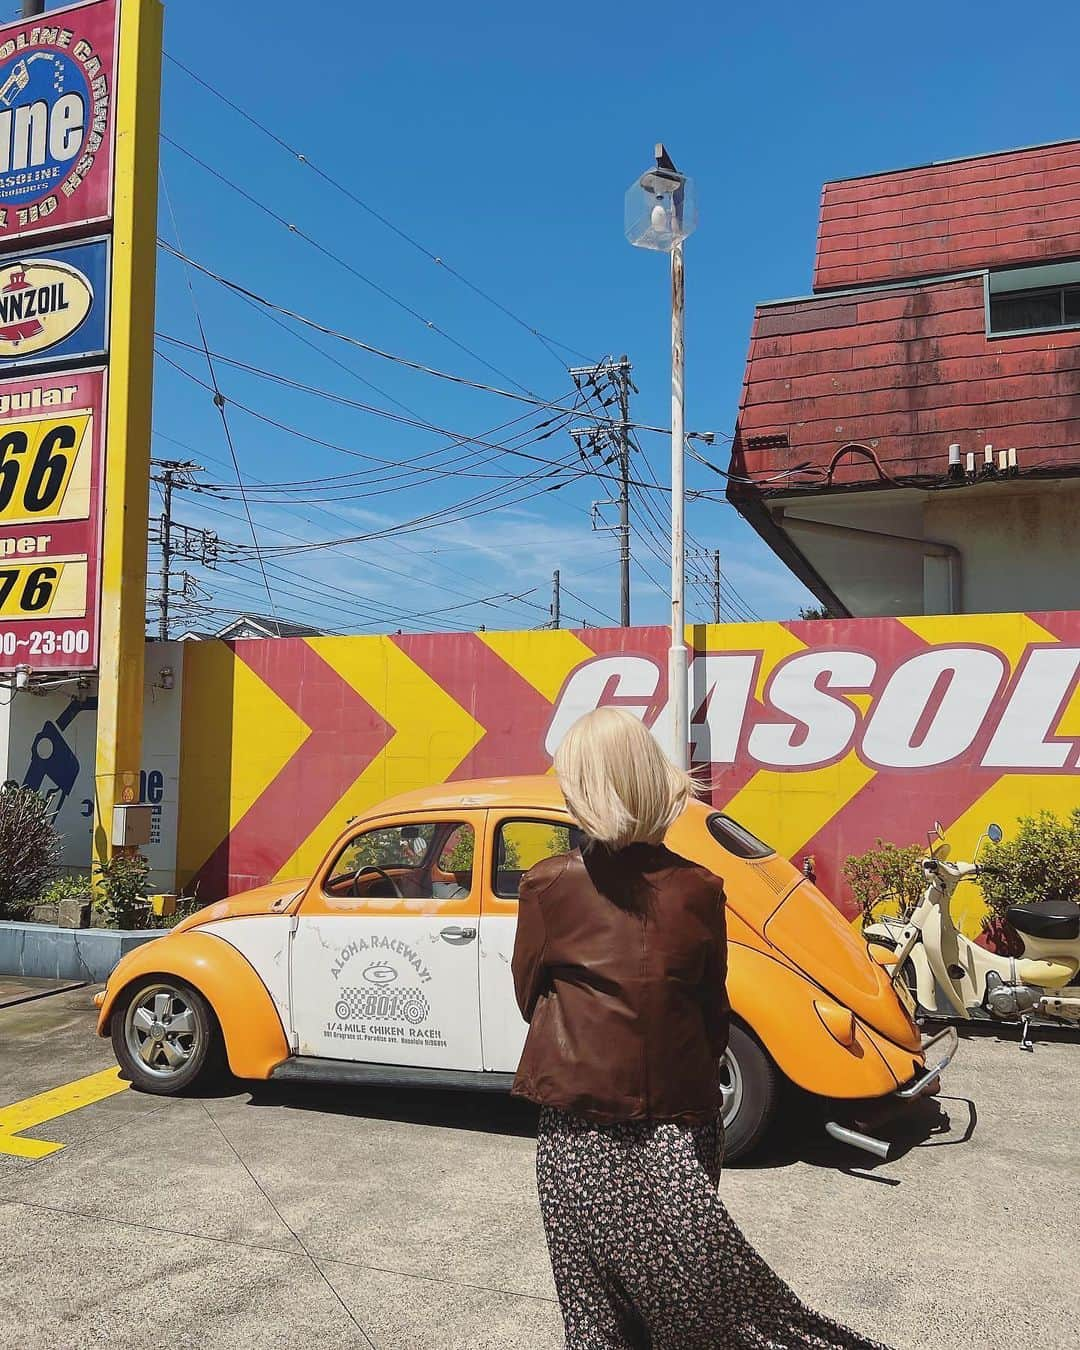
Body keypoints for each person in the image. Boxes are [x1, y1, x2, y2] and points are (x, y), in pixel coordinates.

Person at [511, 706, 890, 1350]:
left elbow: (530, 997)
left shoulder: (547, 885)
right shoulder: (700, 887)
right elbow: (712, 1009)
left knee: (594, 1307)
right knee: (697, 1302)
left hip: (578, 1130)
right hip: (680, 1125)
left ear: (583, 788)